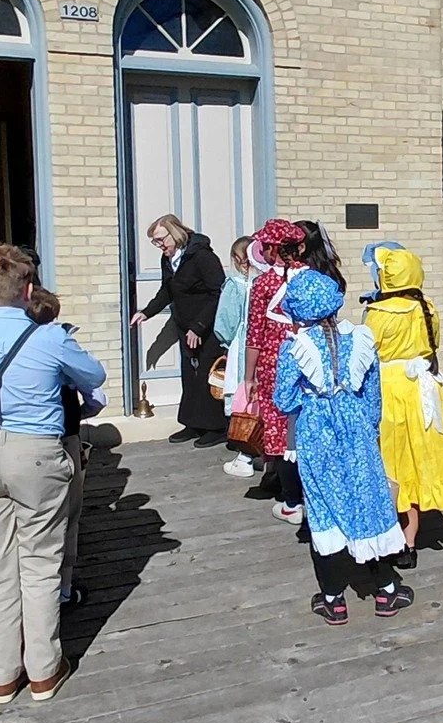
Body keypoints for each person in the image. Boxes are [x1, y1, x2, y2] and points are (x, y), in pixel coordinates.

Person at [0, 244, 107, 706]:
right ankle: (45, 670)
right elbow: (94, 375)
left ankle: (3, 675)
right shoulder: (47, 339)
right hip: (37, 456)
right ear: (28, 291)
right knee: (40, 563)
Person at [272, 267, 412, 623]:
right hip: (357, 427)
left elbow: (283, 400)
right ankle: (385, 591)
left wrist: (312, 397)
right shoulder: (361, 337)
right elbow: (373, 394)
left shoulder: (296, 348)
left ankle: (333, 598)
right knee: (367, 498)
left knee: (324, 505)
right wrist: (367, 426)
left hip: (317, 431)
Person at [361, 243, 443, 570]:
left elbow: (365, 356)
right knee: (416, 461)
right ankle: (410, 541)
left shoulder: (377, 314)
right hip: (422, 390)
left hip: (388, 390)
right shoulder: (428, 308)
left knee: (390, 462)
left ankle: (386, 536)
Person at [25, 282, 103, 607]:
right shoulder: (57, 344)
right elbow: (95, 383)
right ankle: (64, 589)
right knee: (68, 515)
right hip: (61, 435)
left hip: (17, 442)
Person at [129, 213, 228, 441]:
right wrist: (146, 312)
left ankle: (216, 427)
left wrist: (199, 326)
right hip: (186, 326)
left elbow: (217, 293)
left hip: (207, 326)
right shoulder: (169, 259)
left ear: (175, 234)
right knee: (190, 377)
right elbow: (167, 290)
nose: (159, 245)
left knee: (208, 374)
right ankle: (193, 423)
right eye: (155, 242)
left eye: (161, 239)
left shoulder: (203, 257)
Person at [245, 218, 310, 523]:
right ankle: (314, 495)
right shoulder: (314, 279)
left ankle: (291, 501)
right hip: (311, 360)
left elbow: (254, 334)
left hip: (274, 364)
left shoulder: (263, 284)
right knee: (308, 426)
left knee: (280, 431)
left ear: (271, 248)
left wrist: (248, 377)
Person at [215, 236, 258, 479]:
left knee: (244, 397)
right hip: (266, 345)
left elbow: (225, 321)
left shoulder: (235, 285)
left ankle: (245, 455)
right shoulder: (269, 281)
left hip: (243, 344)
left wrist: (225, 341)